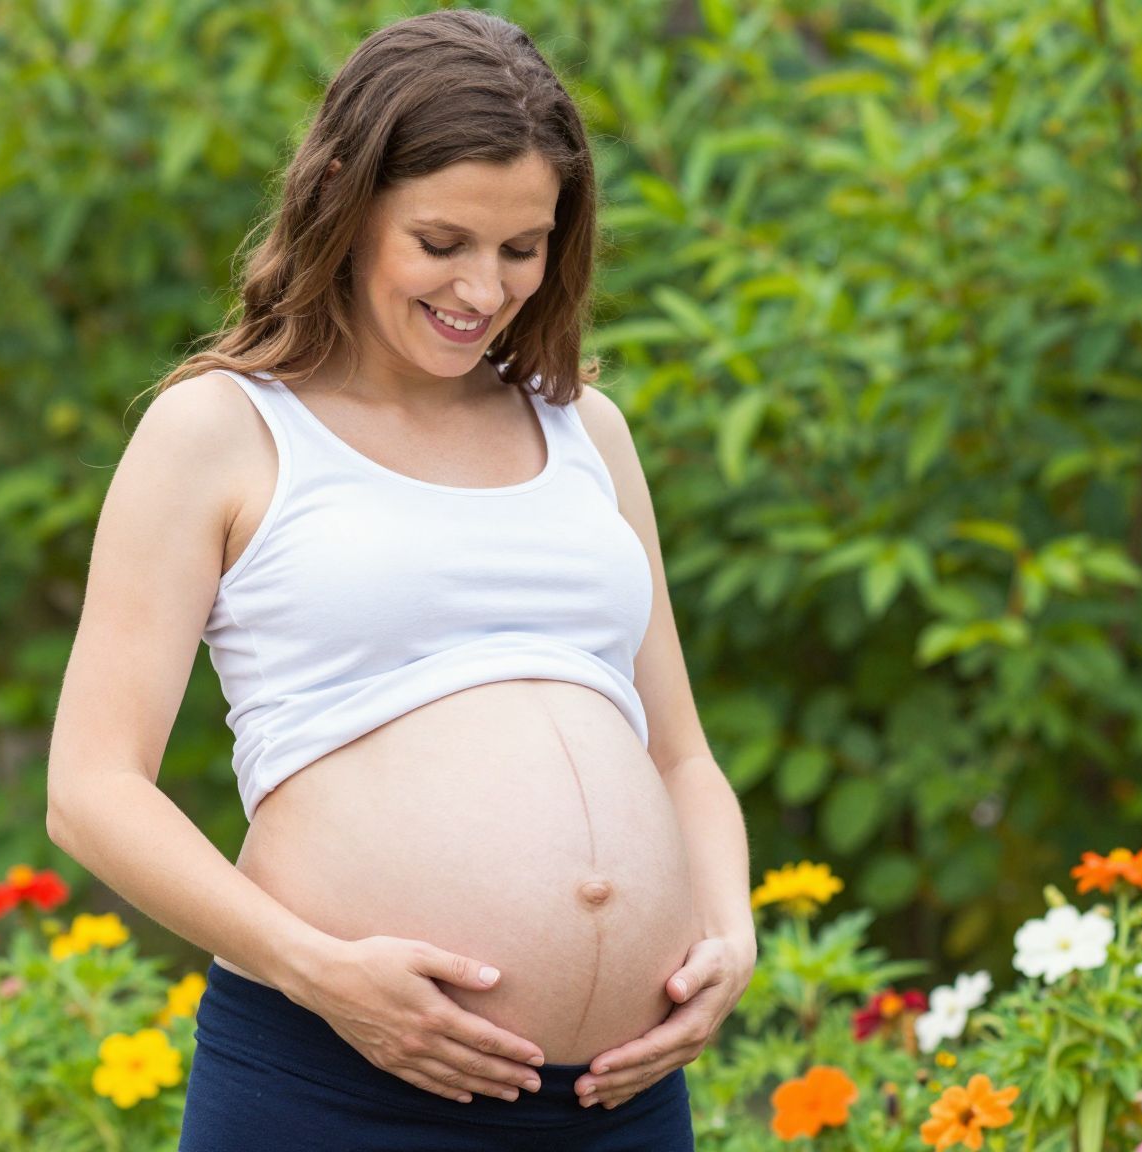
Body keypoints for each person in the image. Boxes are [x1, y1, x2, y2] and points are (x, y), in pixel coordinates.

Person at [44, 10, 754, 1149]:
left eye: (522, 248)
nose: (483, 287)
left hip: (619, 1101)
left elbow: (680, 756)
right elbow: (90, 788)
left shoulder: (587, 431)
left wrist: (729, 934)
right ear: (345, 198)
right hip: (336, 1082)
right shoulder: (220, 431)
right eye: (442, 241)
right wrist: (317, 970)